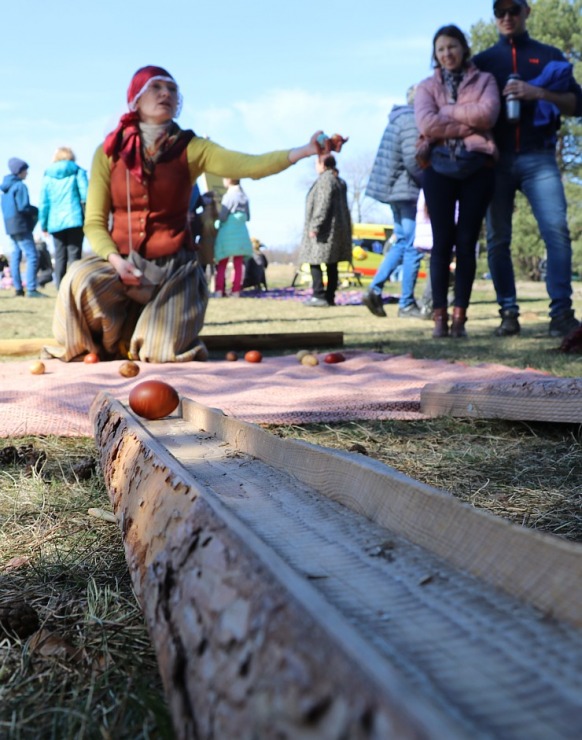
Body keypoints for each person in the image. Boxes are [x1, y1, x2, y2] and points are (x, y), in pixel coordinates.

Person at [48, 65, 324, 363]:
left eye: (172, 89)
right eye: (156, 87)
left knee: (161, 353)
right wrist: (114, 259)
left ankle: (148, 339)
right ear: (136, 98)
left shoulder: (191, 147)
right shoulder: (108, 152)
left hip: (175, 271)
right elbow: (94, 222)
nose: (166, 92)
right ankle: (101, 350)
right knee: (78, 278)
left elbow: (248, 165)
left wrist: (305, 151)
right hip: (120, 265)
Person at [473, 0, 582, 338]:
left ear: (526, 12)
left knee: (556, 233)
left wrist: (538, 92)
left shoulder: (549, 55)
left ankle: (561, 314)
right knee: (498, 239)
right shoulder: (484, 61)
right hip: (496, 160)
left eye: (513, 10)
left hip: (540, 157)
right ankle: (508, 313)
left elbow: (577, 104)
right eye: (499, 11)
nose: (506, 17)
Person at [415, 25, 500, 338]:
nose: (447, 53)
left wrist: (446, 113)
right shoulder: (426, 87)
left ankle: (460, 317)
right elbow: (426, 122)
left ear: (463, 48)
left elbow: (488, 115)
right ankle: (439, 318)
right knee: (441, 243)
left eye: (452, 46)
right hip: (437, 169)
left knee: (466, 243)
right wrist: (467, 122)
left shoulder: (485, 80)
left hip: (477, 167)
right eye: (440, 49)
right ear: (435, 55)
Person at [363, 85, 425, 318]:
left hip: (395, 191)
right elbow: (413, 159)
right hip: (406, 191)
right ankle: (406, 304)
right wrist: (430, 183)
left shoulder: (399, 118)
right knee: (413, 246)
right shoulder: (411, 120)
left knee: (401, 242)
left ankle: (374, 289)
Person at [299, 154, 352, 307]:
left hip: (325, 231)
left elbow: (323, 203)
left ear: (322, 164)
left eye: (316, 163)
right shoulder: (338, 180)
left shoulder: (326, 180)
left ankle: (319, 295)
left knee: (314, 260)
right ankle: (329, 297)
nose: (316, 166)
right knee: (331, 263)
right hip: (335, 230)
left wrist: (315, 225)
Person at [38, 147, 88, 288]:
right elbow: (86, 196)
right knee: (74, 256)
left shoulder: (47, 176)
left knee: (59, 257)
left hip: (55, 222)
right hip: (75, 219)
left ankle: (60, 288)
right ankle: (74, 287)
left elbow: (44, 203)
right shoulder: (77, 171)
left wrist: (44, 224)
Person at [0, 158, 44, 298]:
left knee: (16, 256)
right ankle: (31, 288)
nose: (27, 173)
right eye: (26, 170)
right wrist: (36, 210)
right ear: (20, 171)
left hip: (10, 225)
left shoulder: (6, 188)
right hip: (21, 224)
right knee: (32, 255)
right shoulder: (20, 186)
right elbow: (23, 207)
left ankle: (18, 289)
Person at [213, 178, 253, 298]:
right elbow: (248, 217)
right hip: (241, 233)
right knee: (238, 263)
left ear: (229, 180)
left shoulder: (229, 196)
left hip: (227, 232)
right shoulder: (244, 197)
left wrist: (217, 223)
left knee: (222, 262)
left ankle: (219, 290)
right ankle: (236, 291)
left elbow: (223, 216)